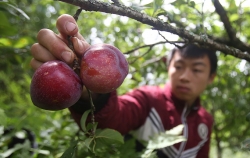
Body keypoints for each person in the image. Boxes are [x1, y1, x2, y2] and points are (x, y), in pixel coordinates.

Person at [30, 14, 217, 158]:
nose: (185, 76)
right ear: (168, 67)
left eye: (197, 70)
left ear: (211, 77)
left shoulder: (205, 121)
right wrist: (92, 95)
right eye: (179, 66)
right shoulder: (148, 100)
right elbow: (113, 120)